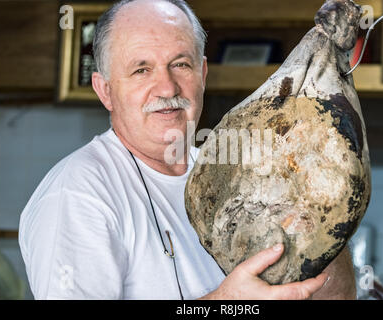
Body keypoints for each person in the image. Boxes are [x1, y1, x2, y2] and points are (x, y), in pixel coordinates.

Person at [19, 0, 356, 299]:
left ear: (203, 74)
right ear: (105, 90)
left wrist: (327, 213)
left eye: (180, 64)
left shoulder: (228, 174)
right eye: (141, 69)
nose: (166, 87)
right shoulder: (78, 193)